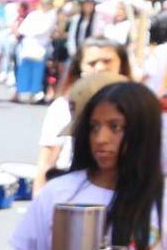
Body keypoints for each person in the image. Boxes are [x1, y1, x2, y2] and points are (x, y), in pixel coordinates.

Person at [13, 82, 167, 250]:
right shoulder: (59, 191)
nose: (100, 138)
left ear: (144, 133)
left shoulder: (161, 200)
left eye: (115, 127)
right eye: (94, 127)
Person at [35, 40, 131, 189]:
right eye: (92, 63)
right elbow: (46, 162)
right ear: (80, 66)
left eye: (107, 61)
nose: (100, 68)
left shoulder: (137, 106)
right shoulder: (62, 106)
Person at [15, 0, 56, 104]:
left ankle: (34, 93)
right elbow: (23, 29)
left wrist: (32, 31)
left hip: (40, 48)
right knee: (24, 70)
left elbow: (44, 30)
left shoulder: (51, 16)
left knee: (37, 71)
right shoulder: (33, 15)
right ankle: (23, 92)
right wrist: (31, 31)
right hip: (28, 46)